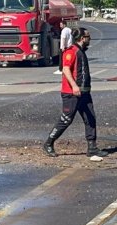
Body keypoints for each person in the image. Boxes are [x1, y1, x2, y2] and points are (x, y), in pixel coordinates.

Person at [43, 27, 108, 160]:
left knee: (90, 118)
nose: (90, 40)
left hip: (84, 94)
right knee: (66, 119)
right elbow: (66, 69)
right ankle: (48, 143)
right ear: (82, 38)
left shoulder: (81, 51)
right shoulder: (71, 51)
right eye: (88, 37)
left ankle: (92, 148)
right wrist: (74, 86)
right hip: (71, 93)